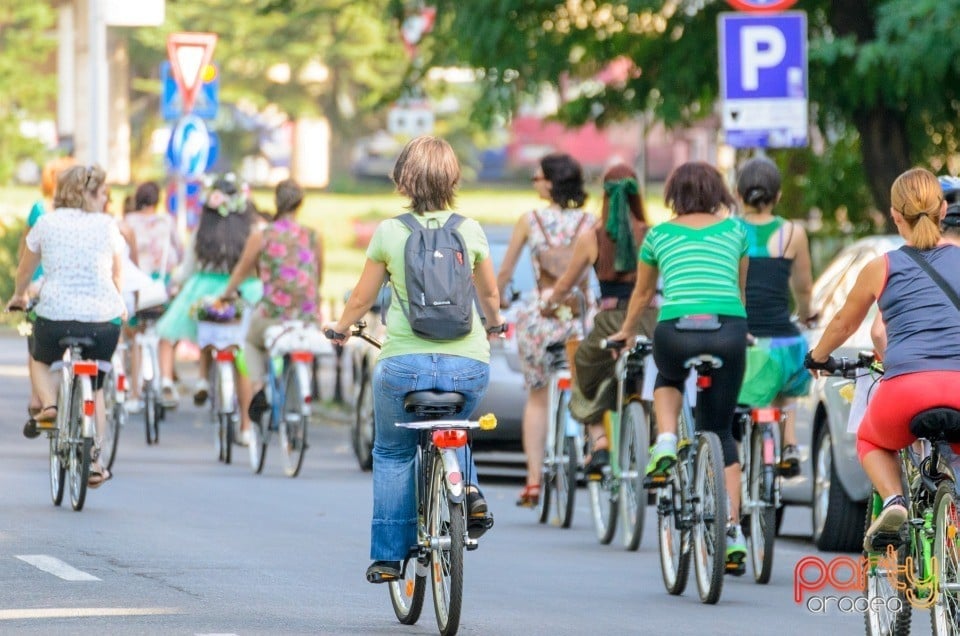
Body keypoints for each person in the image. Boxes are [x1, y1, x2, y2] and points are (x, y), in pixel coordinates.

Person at [324, 136, 504, 583]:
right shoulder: (472, 229)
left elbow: (363, 297)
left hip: (403, 365)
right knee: (457, 429)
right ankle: (470, 492)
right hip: (468, 364)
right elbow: (490, 294)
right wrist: (495, 324)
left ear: (403, 178)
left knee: (391, 451)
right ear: (452, 178)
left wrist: (342, 328)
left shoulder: (390, 232)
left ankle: (387, 556)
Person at [807, 167, 960, 551]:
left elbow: (845, 324)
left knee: (871, 439)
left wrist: (818, 357)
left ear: (894, 216)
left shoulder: (882, 267)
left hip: (905, 391)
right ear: (943, 209)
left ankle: (893, 500)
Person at [607, 161, 749, 570]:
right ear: (718, 192)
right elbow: (739, 291)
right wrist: (743, 328)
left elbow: (643, 295)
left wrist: (627, 332)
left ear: (674, 194)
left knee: (668, 376)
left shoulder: (658, 235)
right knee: (721, 430)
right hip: (728, 330)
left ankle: (666, 438)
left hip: (675, 331)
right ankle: (732, 529)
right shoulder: (736, 231)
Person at [7, 164, 125, 487]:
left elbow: (24, 271)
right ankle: (96, 461)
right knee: (97, 385)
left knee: (39, 356)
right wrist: (122, 305)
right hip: (103, 320)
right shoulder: (107, 225)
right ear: (90, 194)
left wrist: (19, 296)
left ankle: (48, 405)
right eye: (103, 194)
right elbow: (116, 276)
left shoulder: (46, 222)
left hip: (55, 315)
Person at [540, 163, 657, 482]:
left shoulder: (592, 237)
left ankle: (600, 440)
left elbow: (565, 285)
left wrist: (549, 300)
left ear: (604, 196)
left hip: (610, 321)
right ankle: (658, 440)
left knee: (586, 365)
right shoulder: (652, 234)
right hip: (650, 320)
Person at [495, 152, 595, 507]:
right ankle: (593, 449)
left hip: (540, 318)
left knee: (537, 397)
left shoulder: (530, 220)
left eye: (536, 177)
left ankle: (534, 479)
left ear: (550, 182)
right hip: (581, 318)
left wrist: (497, 304)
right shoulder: (590, 222)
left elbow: (505, 272)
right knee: (590, 386)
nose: (534, 182)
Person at [222, 178, 323, 444]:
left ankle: (258, 387)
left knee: (251, 342)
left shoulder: (262, 236)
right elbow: (317, 278)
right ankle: (298, 414)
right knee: (297, 348)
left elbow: (241, 271)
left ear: (276, 202)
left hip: (273, 315)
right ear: (300, 203)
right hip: (306, 316)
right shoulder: (313, 237)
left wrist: (225, 295)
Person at [734, 157, 814, 476]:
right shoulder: (793, 233)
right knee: (792, 360)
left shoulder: (730, 230)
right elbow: (804, 289)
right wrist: (807, 316)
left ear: (738, 194)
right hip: (782, 337)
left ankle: (739, 452)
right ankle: (790, 440)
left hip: (742, 338)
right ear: (778, 195)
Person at [155, 174, 261, 409]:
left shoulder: (202, 230)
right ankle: (245, 417)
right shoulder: (251, 230)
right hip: (245, 289)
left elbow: (188, 268)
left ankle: (197, 378)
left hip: (203, 288)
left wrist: (176, 282)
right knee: (239, 346)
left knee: (194, 329)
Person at [120, 182, 183, 413]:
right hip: (161, 286)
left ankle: (135, 395)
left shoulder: (128, 222)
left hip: (137, 285)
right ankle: (166, 377)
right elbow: (181, 251)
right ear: (158, 199)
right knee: (166, 330)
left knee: (137, 336)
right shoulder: (167, 221)